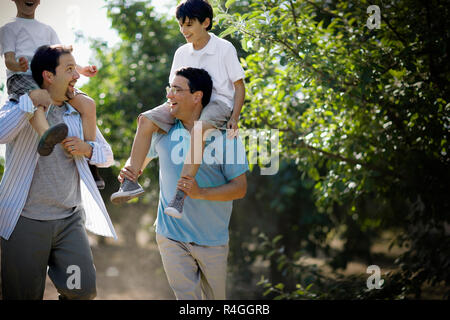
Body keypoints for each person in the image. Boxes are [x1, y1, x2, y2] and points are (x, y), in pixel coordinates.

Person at [119, 67, 248, 300]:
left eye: (177, 90)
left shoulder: (225, 136)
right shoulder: (162, 132)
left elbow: (240, 188)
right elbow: (140, 160)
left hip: (213, 240)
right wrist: (129, 170)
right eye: (170, 89)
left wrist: (200, 193)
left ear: (197, 96)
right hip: (171, 235)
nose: (169, 95)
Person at [0, 44, 117, 300]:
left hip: (68, 221)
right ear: (48, 75)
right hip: (25, 221)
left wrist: (88, 149)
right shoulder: (21, 105)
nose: (77, 75)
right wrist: (28, 104)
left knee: (82, 291)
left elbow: (107, 156)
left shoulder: (76, 113)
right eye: (69, 69)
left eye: (75, 69)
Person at [111, 0, 246, 218]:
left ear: (206, 23)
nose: (184, 30)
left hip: (217, 103)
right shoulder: (181, 52)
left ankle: (180, 195)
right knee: (145, 119)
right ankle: (130, 181)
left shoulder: (224, 48)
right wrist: (172, 103)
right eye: (181, 25)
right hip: (184, 99)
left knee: (200, 129)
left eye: (189, 25)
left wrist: (235, 117)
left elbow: (239, 87)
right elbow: (175, 87)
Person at [0, 0, 105, 188]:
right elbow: (8, 60)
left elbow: (62, 58)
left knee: (88, 104)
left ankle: (92, 166)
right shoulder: (9, 28)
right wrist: (19, 66)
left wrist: (81, 69)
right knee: (38, 99)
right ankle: (45, 134)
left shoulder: (46, 29)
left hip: (51, 79)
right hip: (22, 75)